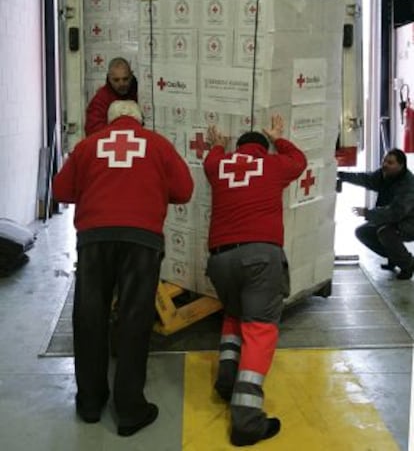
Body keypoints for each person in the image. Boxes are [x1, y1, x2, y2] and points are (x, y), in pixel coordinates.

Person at [52, 100, 194, 436]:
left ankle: (90, 402)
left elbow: (60, 191)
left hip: (94, 239)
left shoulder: (87, 146)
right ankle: (129, 410)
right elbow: (184, 191)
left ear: (111, 121)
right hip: (141, 240)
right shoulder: (157, 144)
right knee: (134, 319)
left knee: (89, 317)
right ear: (139, 120)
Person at [203, 113, 307, 447]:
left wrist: (218, 144)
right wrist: (277, 137)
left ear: (240, 148)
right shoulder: (274, 166)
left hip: (220, 259)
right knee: (260, 328)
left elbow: (212, 157)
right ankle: (247, 422)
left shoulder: (219, 166)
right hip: (261, 257)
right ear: (263, 149)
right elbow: (299, 161)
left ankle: (226, 379)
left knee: (234, 314)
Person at [337, 148, 414, 280]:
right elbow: (365, 179)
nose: (384, 165)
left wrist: (368, 213)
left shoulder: (408, 185)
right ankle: (394, 257)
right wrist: (343, 175)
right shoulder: (385, 175)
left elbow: (395, 213)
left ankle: (408, 264)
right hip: (393, 220)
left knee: (385, 232)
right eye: (384, 161)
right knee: (363, 232)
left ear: (401, 166)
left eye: (390, 162)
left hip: (409, 222)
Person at [84, 56, 138, 136]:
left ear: (131, 75)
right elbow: (93, 131)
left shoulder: (141, 94)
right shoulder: (100, 100)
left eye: (125, 79)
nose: (121, 84)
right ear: (109, 78)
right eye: (116, 80)